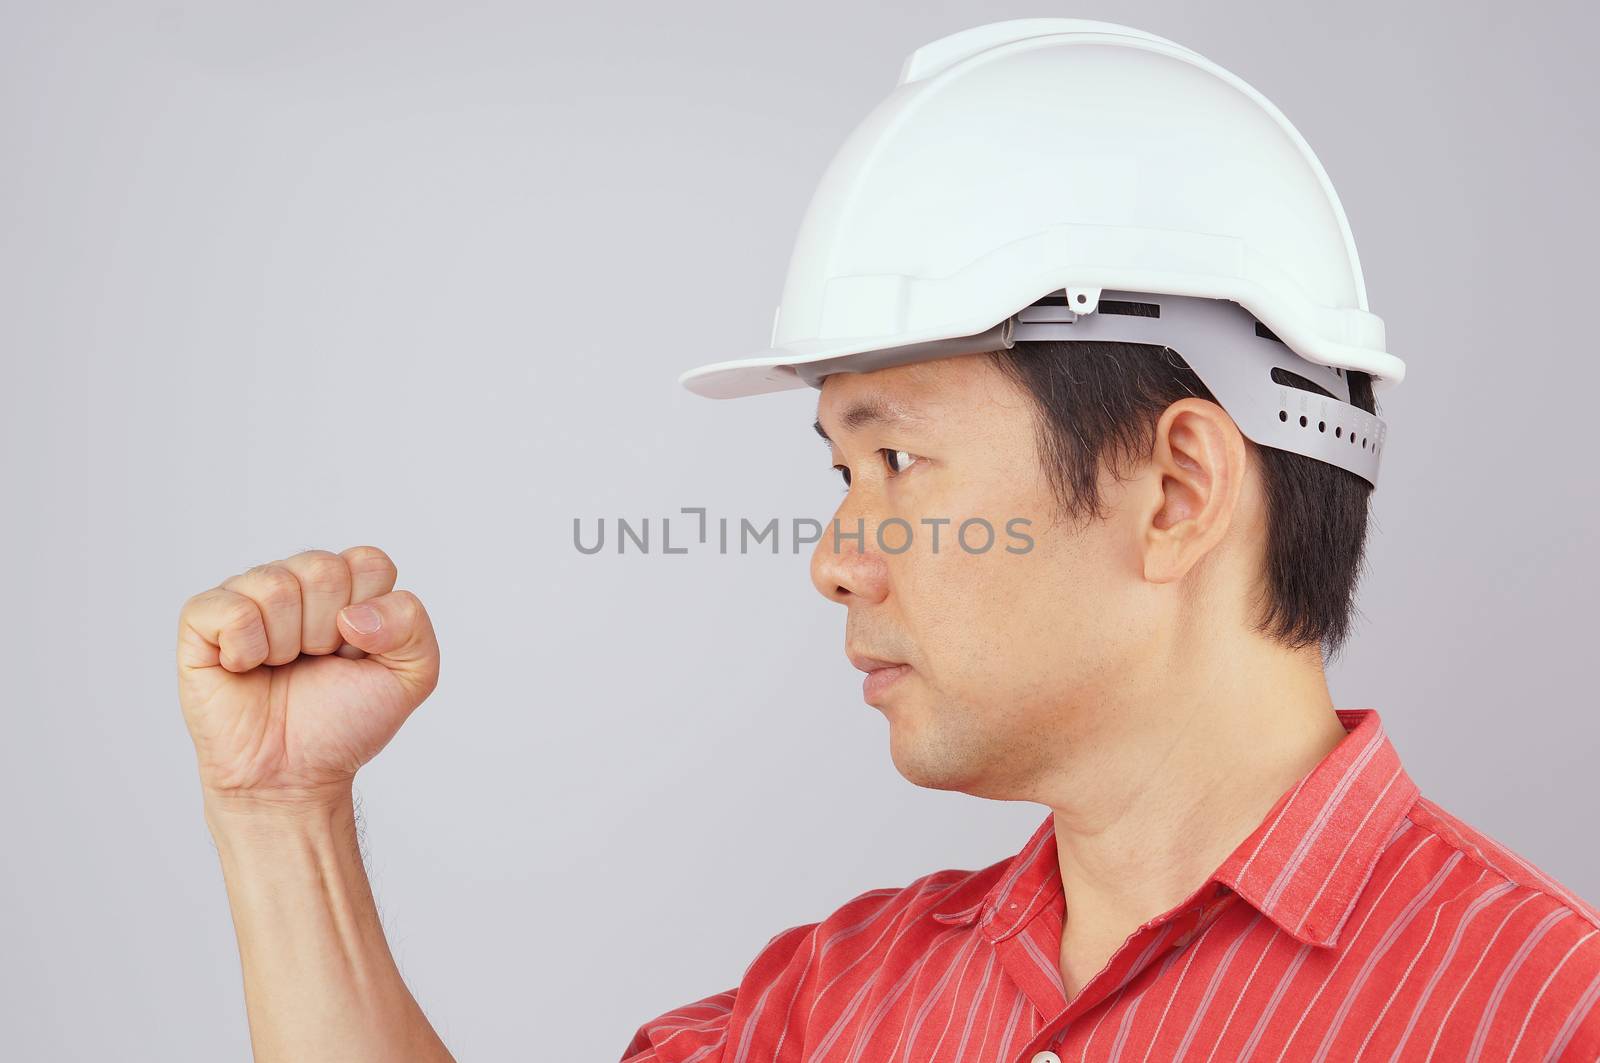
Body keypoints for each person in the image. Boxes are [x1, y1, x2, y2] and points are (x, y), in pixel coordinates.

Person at [174, 18, 1600, 1062]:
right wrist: (283, 818)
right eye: (840, 469)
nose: (835, 557)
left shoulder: (1542, 1018)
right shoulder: (839, 1004)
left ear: (1175, 490)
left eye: (897, 459)